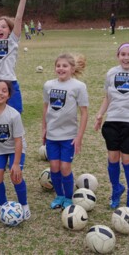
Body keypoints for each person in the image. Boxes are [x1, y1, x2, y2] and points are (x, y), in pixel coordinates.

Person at [94, 43, 129, 212]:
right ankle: (116, 189)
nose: (126, 57)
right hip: (112, 121)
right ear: (118, 56)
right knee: (113, 158)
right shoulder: (111, 73)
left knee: (127, 159)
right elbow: (107, 97)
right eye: (123, 54)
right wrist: (99, 115)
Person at [43, 53, 88, 210]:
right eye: (58, 65)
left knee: (65, 167)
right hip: (52, 135)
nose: (61, 68)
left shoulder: (78, 86)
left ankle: (68, 198)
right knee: (54, 166)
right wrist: (44, 128)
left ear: (72, 69)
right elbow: (45, 107)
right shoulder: (48, 85)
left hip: (69, 135)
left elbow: (84, 113)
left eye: (64, 66)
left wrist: (79, 136)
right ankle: (59, 195)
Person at [0, 80, 30, 221]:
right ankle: (2, 206)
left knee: (15, 176)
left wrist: (16, 163)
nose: (0, 93)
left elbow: (18, 140)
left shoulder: (14, 115)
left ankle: (24, 205)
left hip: (15, 148)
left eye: (4, 91)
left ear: (8, 95)